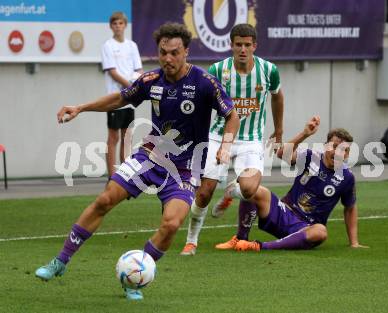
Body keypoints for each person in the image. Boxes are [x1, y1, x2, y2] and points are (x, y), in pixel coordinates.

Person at [35, 23, 240, 301]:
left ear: (186, 52)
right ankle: (59, 262)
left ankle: (136, 275)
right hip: (150, 156)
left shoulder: (204, 82)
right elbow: (120, 98)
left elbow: (232, 115)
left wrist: (226, 145)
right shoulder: (151, 80)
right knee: (106, 199)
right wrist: (81, 108)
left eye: (174, 53)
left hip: (184, 169)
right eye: (163, 52)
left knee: (171, 224)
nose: (167, 58)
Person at [180, 23, 284, 255]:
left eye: (248, 45)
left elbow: (277, 97)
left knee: (248, 190)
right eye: (239, 45)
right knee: (205, 192)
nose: (243, 49)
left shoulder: (269, 70)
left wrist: (279, 131)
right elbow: (203, 103)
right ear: (231, 45)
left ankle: (231, 192)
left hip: (251, 139)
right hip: (218, 136)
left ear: (255, 46)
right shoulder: (218, 70)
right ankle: (191, 240)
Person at [229, 116, 369, 252]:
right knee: (253, 190)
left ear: (347, 154)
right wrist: (304, 134)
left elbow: (350, 208)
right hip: (282, 212)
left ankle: (260, 246)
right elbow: (282, 154)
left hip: (306, 228)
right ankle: (241, 239)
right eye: (334, 146)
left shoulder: (347, 177)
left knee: (321, 232)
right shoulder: (310, 156)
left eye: (343, 149)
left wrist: (354, 243)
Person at [101, 12, 143, 177]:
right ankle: (112, 176)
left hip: (129, 99)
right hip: (115, 97)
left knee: (127, 137)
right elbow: (112, 72)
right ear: (111, 26)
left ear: (125, 25)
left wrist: (135, 85)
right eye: (115, 24)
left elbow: (138, 70)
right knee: (113, 137)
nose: (118, 26)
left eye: (120, 23)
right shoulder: (108, 45)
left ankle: (124, 174)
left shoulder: (132, 46)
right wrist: (130, 87)